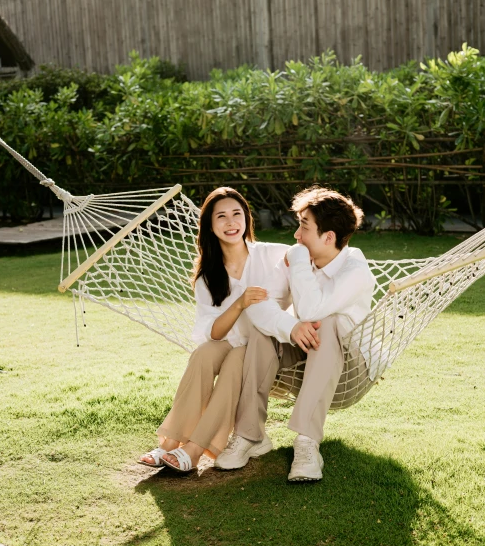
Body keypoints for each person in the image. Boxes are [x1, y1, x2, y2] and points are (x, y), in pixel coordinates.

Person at [214, 186, 375, 481]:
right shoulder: (298, 259)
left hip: (349, 374)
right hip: (304, 367)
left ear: (328, 237)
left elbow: (314, 311)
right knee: (265, 332)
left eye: (304, 228)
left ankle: (307, 442)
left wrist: (299, 261)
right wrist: (290, 327)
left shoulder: (355, 269)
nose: (296, 237)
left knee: (326, 324)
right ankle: (251, 436)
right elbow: (259, 306)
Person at [138, 186, 290, 472]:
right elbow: (215, 333)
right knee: (203, 354)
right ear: (209, 225)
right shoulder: (207, 275)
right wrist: (240, 303)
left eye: (237, 214)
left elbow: (308, 265)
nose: (231, 223)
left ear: (247, 219)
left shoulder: (272, 254)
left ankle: (195, 450)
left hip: (264, 345)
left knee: (235, 362)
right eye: (221, 216)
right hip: (230, 341)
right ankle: (171, 443)